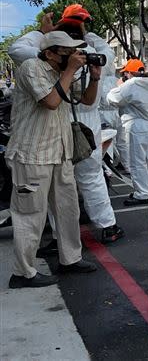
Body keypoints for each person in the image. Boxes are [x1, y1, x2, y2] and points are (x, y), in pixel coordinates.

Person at [8, 6, 124, 247]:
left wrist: (41, 32)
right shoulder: (85, 51)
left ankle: (59, 236)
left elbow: (16, 49)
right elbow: (107, 56)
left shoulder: (47, 55)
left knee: (57, 185)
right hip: (82, 122)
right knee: (89, 177)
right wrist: (90, 38)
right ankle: (107, 225)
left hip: (60, 123)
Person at [6, 31, 99, 288]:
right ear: (49, 53)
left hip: (60, 153)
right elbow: (50, 101)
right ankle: (23, 273)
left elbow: (87, 101)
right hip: (32, 154)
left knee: (68, 210)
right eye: (66, 52)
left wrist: (94, 78)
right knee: (30, 214)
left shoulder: (64, 72)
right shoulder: (31, 68)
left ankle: (70, 259)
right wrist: (69, 70)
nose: (73, 56)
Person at [108, 59, 148, 206]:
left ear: (128, 73)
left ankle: (142, 193)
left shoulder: (131, 85)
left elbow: (111, 98)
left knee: (137, 162)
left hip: (137, 127)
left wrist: (120, 86)